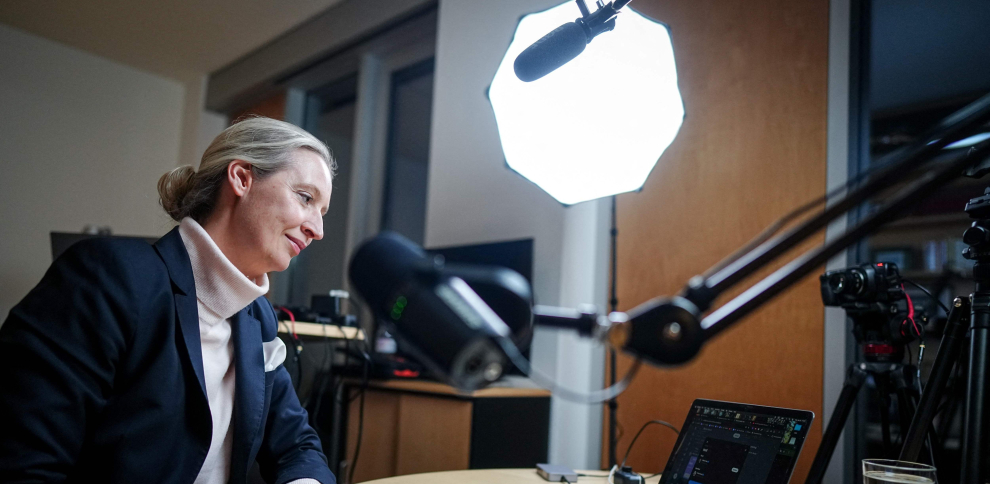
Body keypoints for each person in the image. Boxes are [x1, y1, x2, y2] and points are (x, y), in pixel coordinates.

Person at [0, 117, 337, 484]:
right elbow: (23, 463)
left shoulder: (257, 317)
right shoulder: (109, 276)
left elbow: (297, 445)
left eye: (322, 214)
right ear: (241, 177)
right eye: (306, 198)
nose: (317, 231)